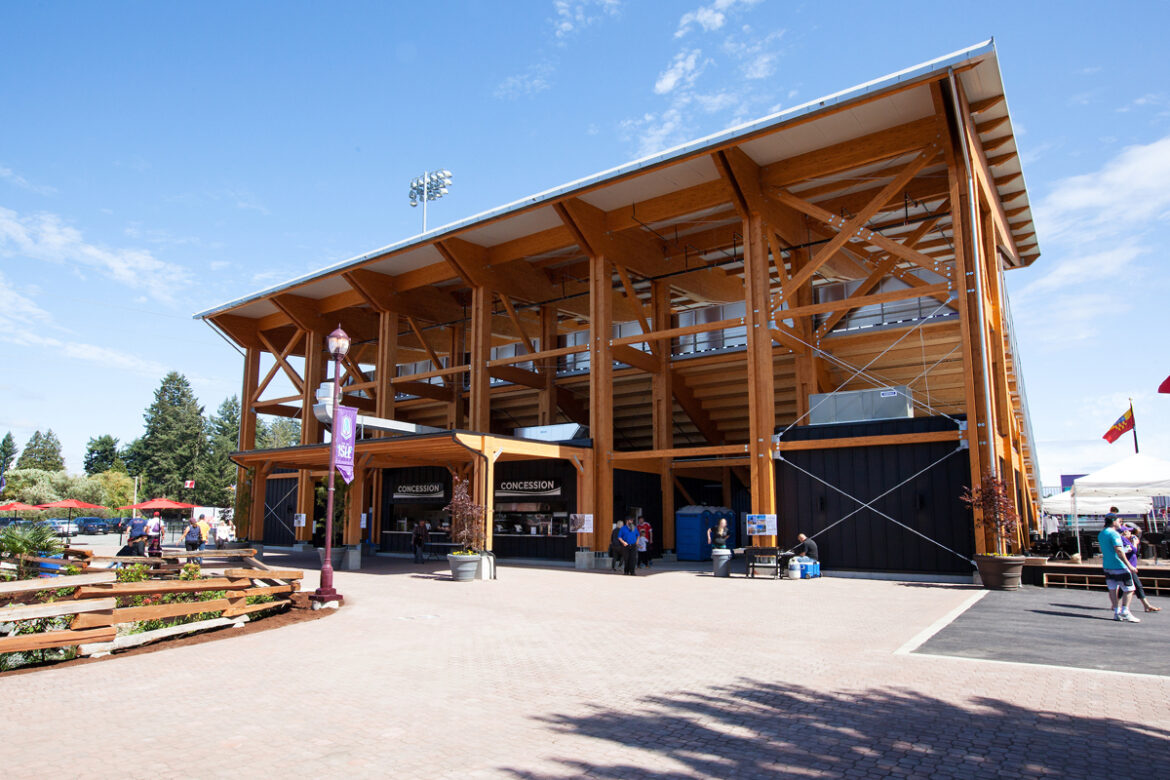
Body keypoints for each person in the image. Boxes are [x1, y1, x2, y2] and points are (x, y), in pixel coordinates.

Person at [1098, 511, 1141, 622]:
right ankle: (1125, 611)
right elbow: (1119, 551)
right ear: (1113, 522)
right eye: (1118, 521)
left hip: (1107, 565)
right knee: (1130, 589)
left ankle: (1117, 612)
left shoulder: (1102, 534)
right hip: (1119, 565)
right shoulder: (1114, 534)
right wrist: (1130, 566)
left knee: (1112, 589)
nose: (1119, 523)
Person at [1122, 525, 1160, 613]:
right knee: (1138, 586)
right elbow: (1132, 550)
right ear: (1124, 532)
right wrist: (1134, 543)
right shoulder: (1123, 541)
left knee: (1123, 588)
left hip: (1131, 566)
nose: (1130, 533)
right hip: (1128, 567)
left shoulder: (1127, 540)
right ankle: (1146, 606)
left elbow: (1137, 532)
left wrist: (1133, 539)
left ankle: (1115, 605)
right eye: (1129, 532)